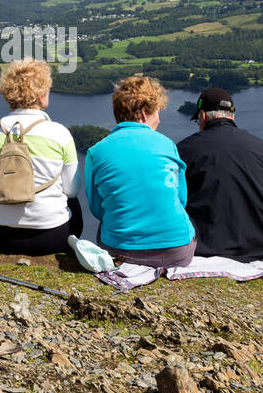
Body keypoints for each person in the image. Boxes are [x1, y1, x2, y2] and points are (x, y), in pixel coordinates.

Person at [0, 58, 82, 255]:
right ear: (40, 95)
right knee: (72, 199)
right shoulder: (59, 132)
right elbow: (72, 189)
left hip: (3, 237)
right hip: (52, 238)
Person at [81, 75, 196, 268]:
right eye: (157, 112)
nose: (159, 119)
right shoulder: (167, 145)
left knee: (108, 224)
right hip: (178, 252)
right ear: (144, 113)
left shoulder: (96, 152)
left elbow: (97, 209)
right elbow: (181, 199)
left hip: (122, 253)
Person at [176, 87, 263, 262]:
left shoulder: (184, 149)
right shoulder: (259, 146)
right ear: (232, 115)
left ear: (202, 116)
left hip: (206, 246)